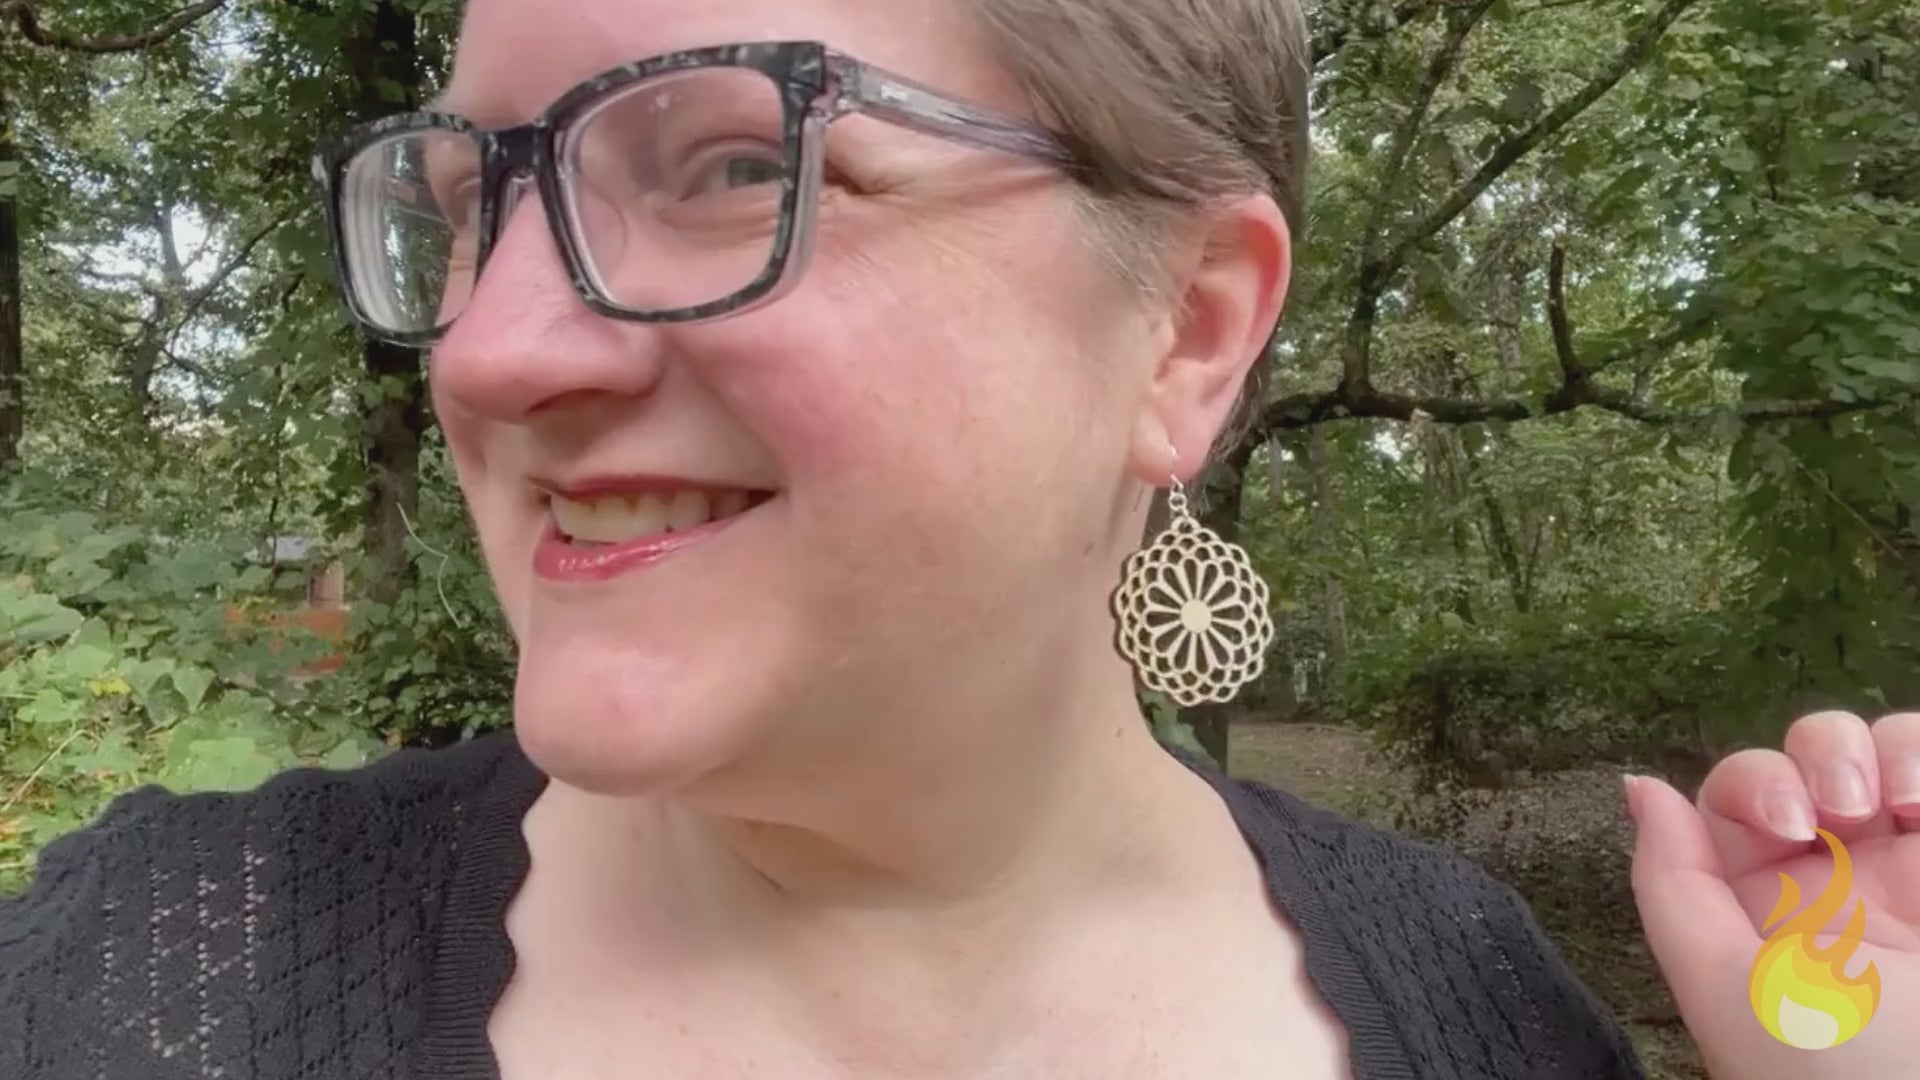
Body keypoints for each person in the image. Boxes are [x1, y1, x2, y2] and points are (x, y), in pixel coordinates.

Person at [1, 0, 1914, 1077]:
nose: (493, 346)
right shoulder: (148, 989)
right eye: (472, 198)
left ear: (1186, 330)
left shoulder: (1484, 1026)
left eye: (737, 163)